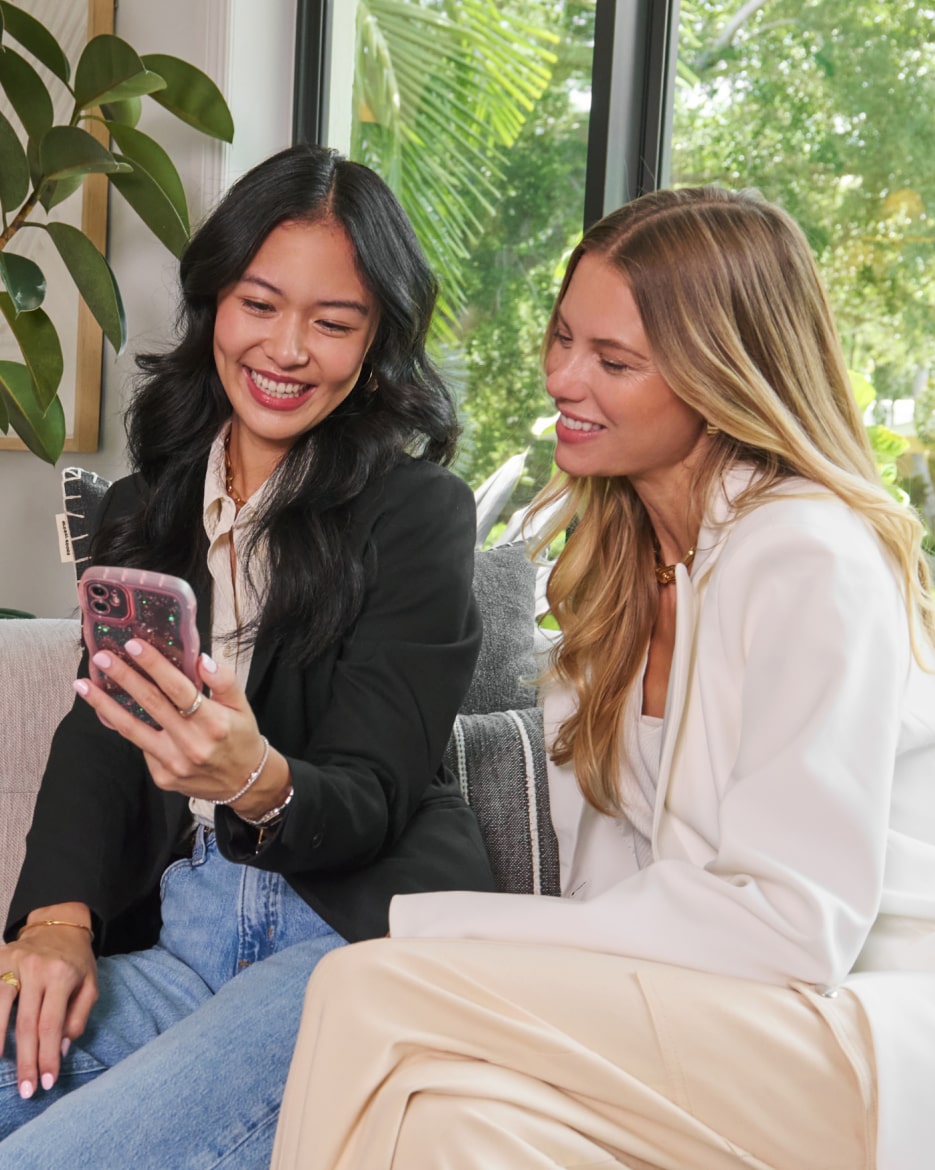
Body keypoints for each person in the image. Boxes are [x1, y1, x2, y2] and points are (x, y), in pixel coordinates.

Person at [270, 186, 935, 1170]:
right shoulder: (619, 578)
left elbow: (797, 927)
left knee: (364, 986)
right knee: (452, 1125)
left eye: (613, 361)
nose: (562, 380)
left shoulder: (806, 555)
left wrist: (450, 928)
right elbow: (605, 889)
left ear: (721, 378)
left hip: (857, 1038)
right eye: (561, 338)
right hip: (712, 1021)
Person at [0, 143, 494, 1167]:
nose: (286, 348)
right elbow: (103, 725)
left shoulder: (417, 514)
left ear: (376, 343)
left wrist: (257, 781)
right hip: (184, 933)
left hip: (346, 946)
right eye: (259, 305)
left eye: (334, 321)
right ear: (214, 302)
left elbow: (373, 789)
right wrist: (55, 918)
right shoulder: (149, 505)